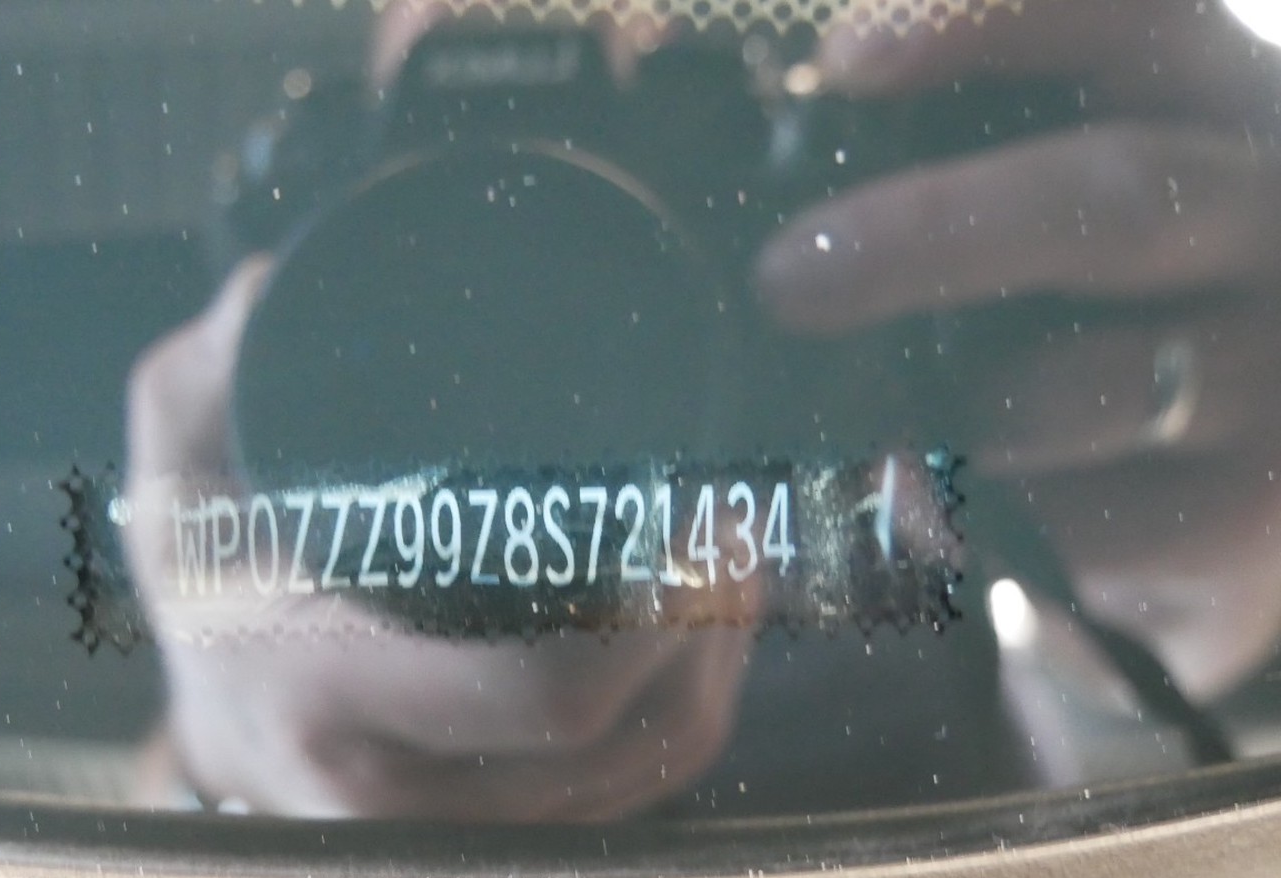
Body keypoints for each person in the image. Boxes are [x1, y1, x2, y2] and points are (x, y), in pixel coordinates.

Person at [123, 0, 1281, 820]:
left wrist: (1182, 587)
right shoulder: (274, 338)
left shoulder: (855, 274)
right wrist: (223, 766)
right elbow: (159, 757)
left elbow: (1090, 670)